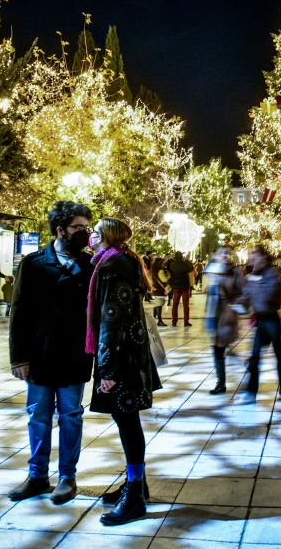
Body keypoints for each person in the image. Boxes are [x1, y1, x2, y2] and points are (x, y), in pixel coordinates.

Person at [7, 201, 93, 505]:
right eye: (78, 228)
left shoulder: (90, 266)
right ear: (60, 230)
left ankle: (67, 477)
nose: (85, 232)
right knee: (38, 416)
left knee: (71, 415)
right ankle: (37, 476)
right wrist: (18, 357)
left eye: (86, 227)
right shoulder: (33, 263)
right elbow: (19, 312)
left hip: (74, 355)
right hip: (40, 355)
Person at [86, 218, 162, 526]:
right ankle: (137, 483)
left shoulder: (112, 267)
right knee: (126, 422)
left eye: (94, 231)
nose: (90, 235)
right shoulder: (121, 262)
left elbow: (111, 320)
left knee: (128, 423)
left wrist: (108, 369)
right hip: (130, 356)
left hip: (122, 360)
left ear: (105, 236)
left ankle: (135, 497)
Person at [240, 246, 281, 402]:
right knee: (255, 356)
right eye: (251, 257)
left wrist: (253, 282)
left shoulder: (271, 274)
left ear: (262, 258)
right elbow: (246, 298)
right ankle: (251, 391)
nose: (251, 259)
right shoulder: (252, 276)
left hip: (271, 320)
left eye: (254, 256)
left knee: (279, 356)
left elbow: (268, 297)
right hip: (260, 321)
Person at [204, 247, 242, 394]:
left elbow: (241, 292)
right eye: (221, 253)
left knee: (220, 348)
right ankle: (222, 382)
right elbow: (210, 295)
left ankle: (222, 382)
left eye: (227, 253)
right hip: (212, 315)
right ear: (216, 255)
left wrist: (234, 306)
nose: (225, 255)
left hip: (226, 316)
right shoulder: (212, 270)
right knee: (218, 349)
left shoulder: (233, 272)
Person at [167, 251, 193, 327]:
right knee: (186, 305)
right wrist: (188, 261)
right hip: (184, 286)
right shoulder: (185, 264)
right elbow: (191, 268)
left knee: (175, 304)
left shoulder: (172, 265)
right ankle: (186, 321)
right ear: (181, 256)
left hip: (175, 287)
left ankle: (174, 321)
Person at [150, 257, 168, 326]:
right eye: (162, 263)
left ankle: (154, 317)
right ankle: (159, 321)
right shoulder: (160, 271)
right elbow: (164, 280)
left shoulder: (154, 270)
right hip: (160, 289)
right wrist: (168, 275)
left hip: (156, 289)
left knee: (159, 304)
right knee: (160, 305)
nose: (163, 264)